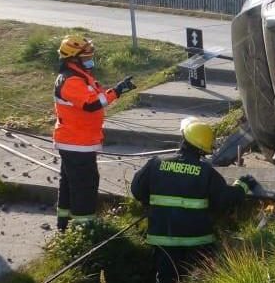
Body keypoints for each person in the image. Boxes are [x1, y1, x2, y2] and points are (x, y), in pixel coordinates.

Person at [131, 117, 258, 283]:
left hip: (163, 239)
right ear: (203, 150)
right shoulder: (205, 171)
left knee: (166, 278)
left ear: (183, 138)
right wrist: (243, 185)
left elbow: (137, 190)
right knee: (199, 277)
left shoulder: (156, 164)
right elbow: (224, 200)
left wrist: (154, 203)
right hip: (198, 241)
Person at [54, 35, 136, 231]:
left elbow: (93, 97)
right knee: (85, 186)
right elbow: (91, 104)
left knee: (70, 184)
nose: (90, 59)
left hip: (76, 142)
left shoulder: (77, 76)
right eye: (87, 55)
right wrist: (116, 91)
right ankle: (85, 229)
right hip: (77, 143)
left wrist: (117, 90)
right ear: (73, 58)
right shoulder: (71, 80)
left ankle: (64, 225)